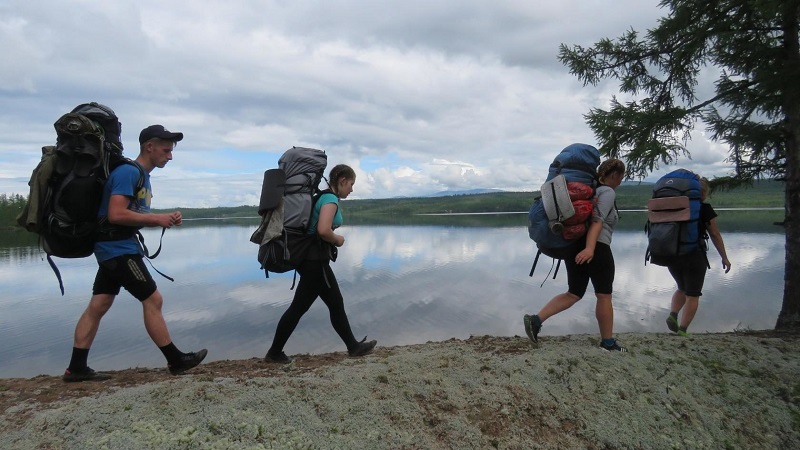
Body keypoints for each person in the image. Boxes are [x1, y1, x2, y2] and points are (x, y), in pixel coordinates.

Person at [62, 125, 208, 382]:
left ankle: (76, 368)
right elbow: (115, 214)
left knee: (99, 305)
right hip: (117, 249)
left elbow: (132, 211)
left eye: (171, 151)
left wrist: (164, 217)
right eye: (166, 150)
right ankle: (176, 360)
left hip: (116, 247)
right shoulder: (128, 172)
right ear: (149, 147)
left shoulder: (141, 175)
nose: (170, 156)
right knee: (154, 300)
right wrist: (157, 219)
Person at [265, 164, 377, 363]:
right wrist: (337, 240)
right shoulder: (330, 199)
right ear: (342, 181)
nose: (351, 189)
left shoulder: (320, 196)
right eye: (351, 184)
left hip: (310, 261)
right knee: (305, 307)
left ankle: (353, 346)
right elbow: (323, 230)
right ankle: (274, 352)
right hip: (314, 262)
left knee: (331, 304)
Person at [523, 158, 628, 351]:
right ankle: (608, 342)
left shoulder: (590, 191)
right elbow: (597, 221)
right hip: (597, 248)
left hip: (574, 246)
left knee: (574, 293)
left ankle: (536, 321)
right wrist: (590, 248)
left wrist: (583, 248)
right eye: (621, 177)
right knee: (604, 295)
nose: (621, 181)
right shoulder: (607, 192)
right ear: (614, 175)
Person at [664, 177, 731, 336]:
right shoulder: (704, 209)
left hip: (671, 255)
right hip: (694, 255)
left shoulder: (674, 208)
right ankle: (683, 330)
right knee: (693, 294)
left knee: (682, 287)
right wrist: (724, 257)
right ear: (702, 193)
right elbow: (714, 234)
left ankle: (673, 314)